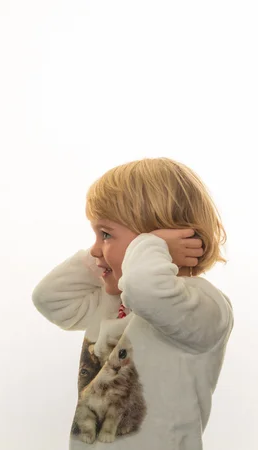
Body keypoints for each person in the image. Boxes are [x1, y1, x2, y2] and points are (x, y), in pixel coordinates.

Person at [32, 157, 233, 449]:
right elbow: (48, 298)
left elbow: (145, 289)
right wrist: (102, 256)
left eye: (106, 234)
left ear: (159, 241)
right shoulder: (115, 301)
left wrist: (154, 246)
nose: (94, 248)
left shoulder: (202, 303)